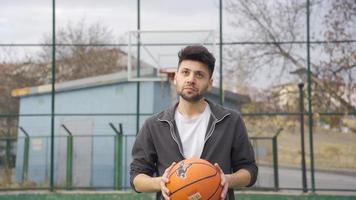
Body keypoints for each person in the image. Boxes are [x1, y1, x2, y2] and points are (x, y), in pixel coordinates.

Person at [130, 45, 258, 200]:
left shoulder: (231, 120)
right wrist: (161, 182)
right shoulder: (154, 125)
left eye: (199, 75)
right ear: (176, 77)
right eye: (185, 72)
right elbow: (137, 177)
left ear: (209, 83)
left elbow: (249, 170)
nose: (191, 79)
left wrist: (227, 179)